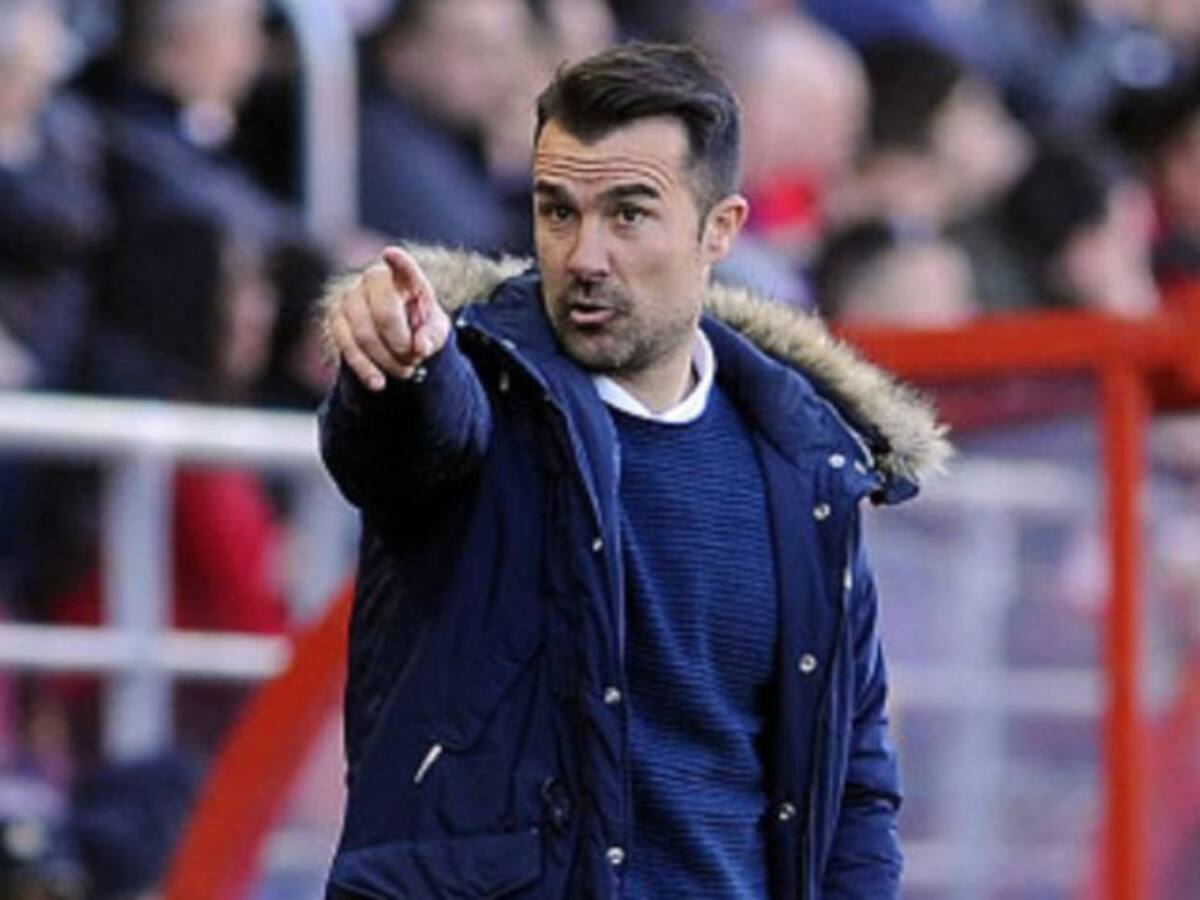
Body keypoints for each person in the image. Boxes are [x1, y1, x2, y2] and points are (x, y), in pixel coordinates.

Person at [319, 43, 949, 899]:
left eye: (628, 215)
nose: (584, 255)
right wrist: (405, 370)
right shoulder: (474, 382)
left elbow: (854, 784)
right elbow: (401, 442)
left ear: (720, 229)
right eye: (558, 212)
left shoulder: (808, 466)